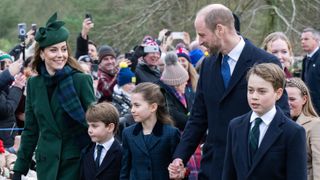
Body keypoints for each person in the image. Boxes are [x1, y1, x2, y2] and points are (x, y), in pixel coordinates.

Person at [168, 4, 289, 180]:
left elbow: (281, 117)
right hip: (213, 168)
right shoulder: (207, 66)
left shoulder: (265, 61)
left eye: (202, 34)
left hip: (252, 168)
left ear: (219, 29)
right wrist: (180, 157)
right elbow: (198, 118)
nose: (199, 41)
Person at [13, 13, 96, 179]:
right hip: (46, 165)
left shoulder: (81, 80)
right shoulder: (34, 84)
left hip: (75, 163)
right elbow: (31, 130)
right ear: (42, 54)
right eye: (53, 50)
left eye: (64, 49)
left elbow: (94, 124)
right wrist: (19, 168)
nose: (60, 54)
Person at [222, 63, 307, 180]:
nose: (254, 96)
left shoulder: (293, 132)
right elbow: (229, 173)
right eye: (250, 90)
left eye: (262, 91)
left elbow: (297, 176)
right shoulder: (235, 126)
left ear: (278, 93)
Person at [120, 82, 180, 180]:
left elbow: (178, 169)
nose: (132, 110)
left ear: (153, 107)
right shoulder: (128, 133)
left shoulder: (171, 134)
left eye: (137, 105)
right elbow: (125, 170)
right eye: (132, 105)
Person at [286, 77, 320, 180]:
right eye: (285, 99)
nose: (288, 103)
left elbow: (318, 162)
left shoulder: (315, 124)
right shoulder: (277, 124)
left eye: (292, 99)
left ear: (304, 99)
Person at [80, 102, 122, 180]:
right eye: (89, 125)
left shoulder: (121, 154)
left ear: (110, 127)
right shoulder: (86, 152)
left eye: (94, 126)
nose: (89, 130)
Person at [300, 27, 320, 115]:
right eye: (302, 39)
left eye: (306, 39)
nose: (303, 42)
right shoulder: (305, 59)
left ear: (316, 40)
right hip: (309, 109)